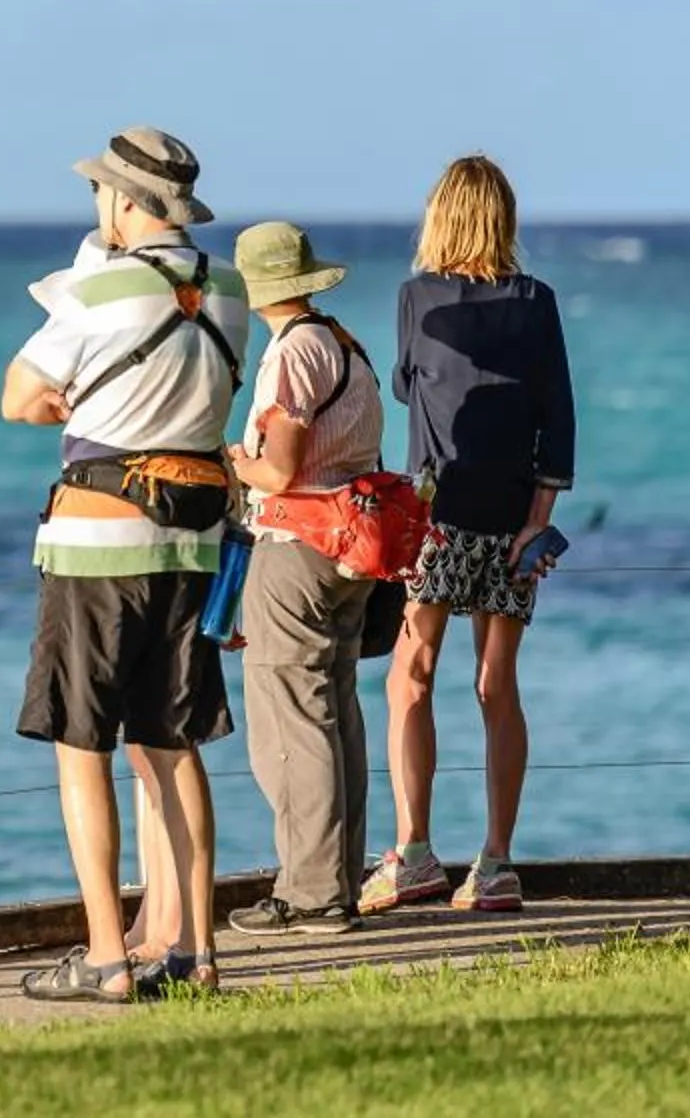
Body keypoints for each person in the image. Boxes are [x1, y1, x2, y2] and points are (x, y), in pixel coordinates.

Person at [0, 128, 245, 1002]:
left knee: (81, 745)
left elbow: (18, 397)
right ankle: (200, 953)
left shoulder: (97, 288)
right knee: (173, 744)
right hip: (192, 542)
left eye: (102, 193)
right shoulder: (230, 289)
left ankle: (107, 955)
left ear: (126, 203)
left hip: (96, 542)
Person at [362, 154, 576, 917]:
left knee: (409, 675)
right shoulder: (538, 300)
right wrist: (537, 526)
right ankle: (496, 862)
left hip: (437, 517)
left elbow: (403, 383)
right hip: (515, 514)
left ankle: (414, 852)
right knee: (497, 686)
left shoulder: (417, 298)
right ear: (504, 219)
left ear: (441, 216)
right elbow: (559, 420)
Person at [223, 221, 385, 935]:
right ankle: (339, 879)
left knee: (290, 720)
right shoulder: (343, 343)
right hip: (352, 545)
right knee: (335, 711)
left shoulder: (292, 354)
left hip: (296, 543)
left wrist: (233, 460)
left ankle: (311, 893)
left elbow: (281, 469)